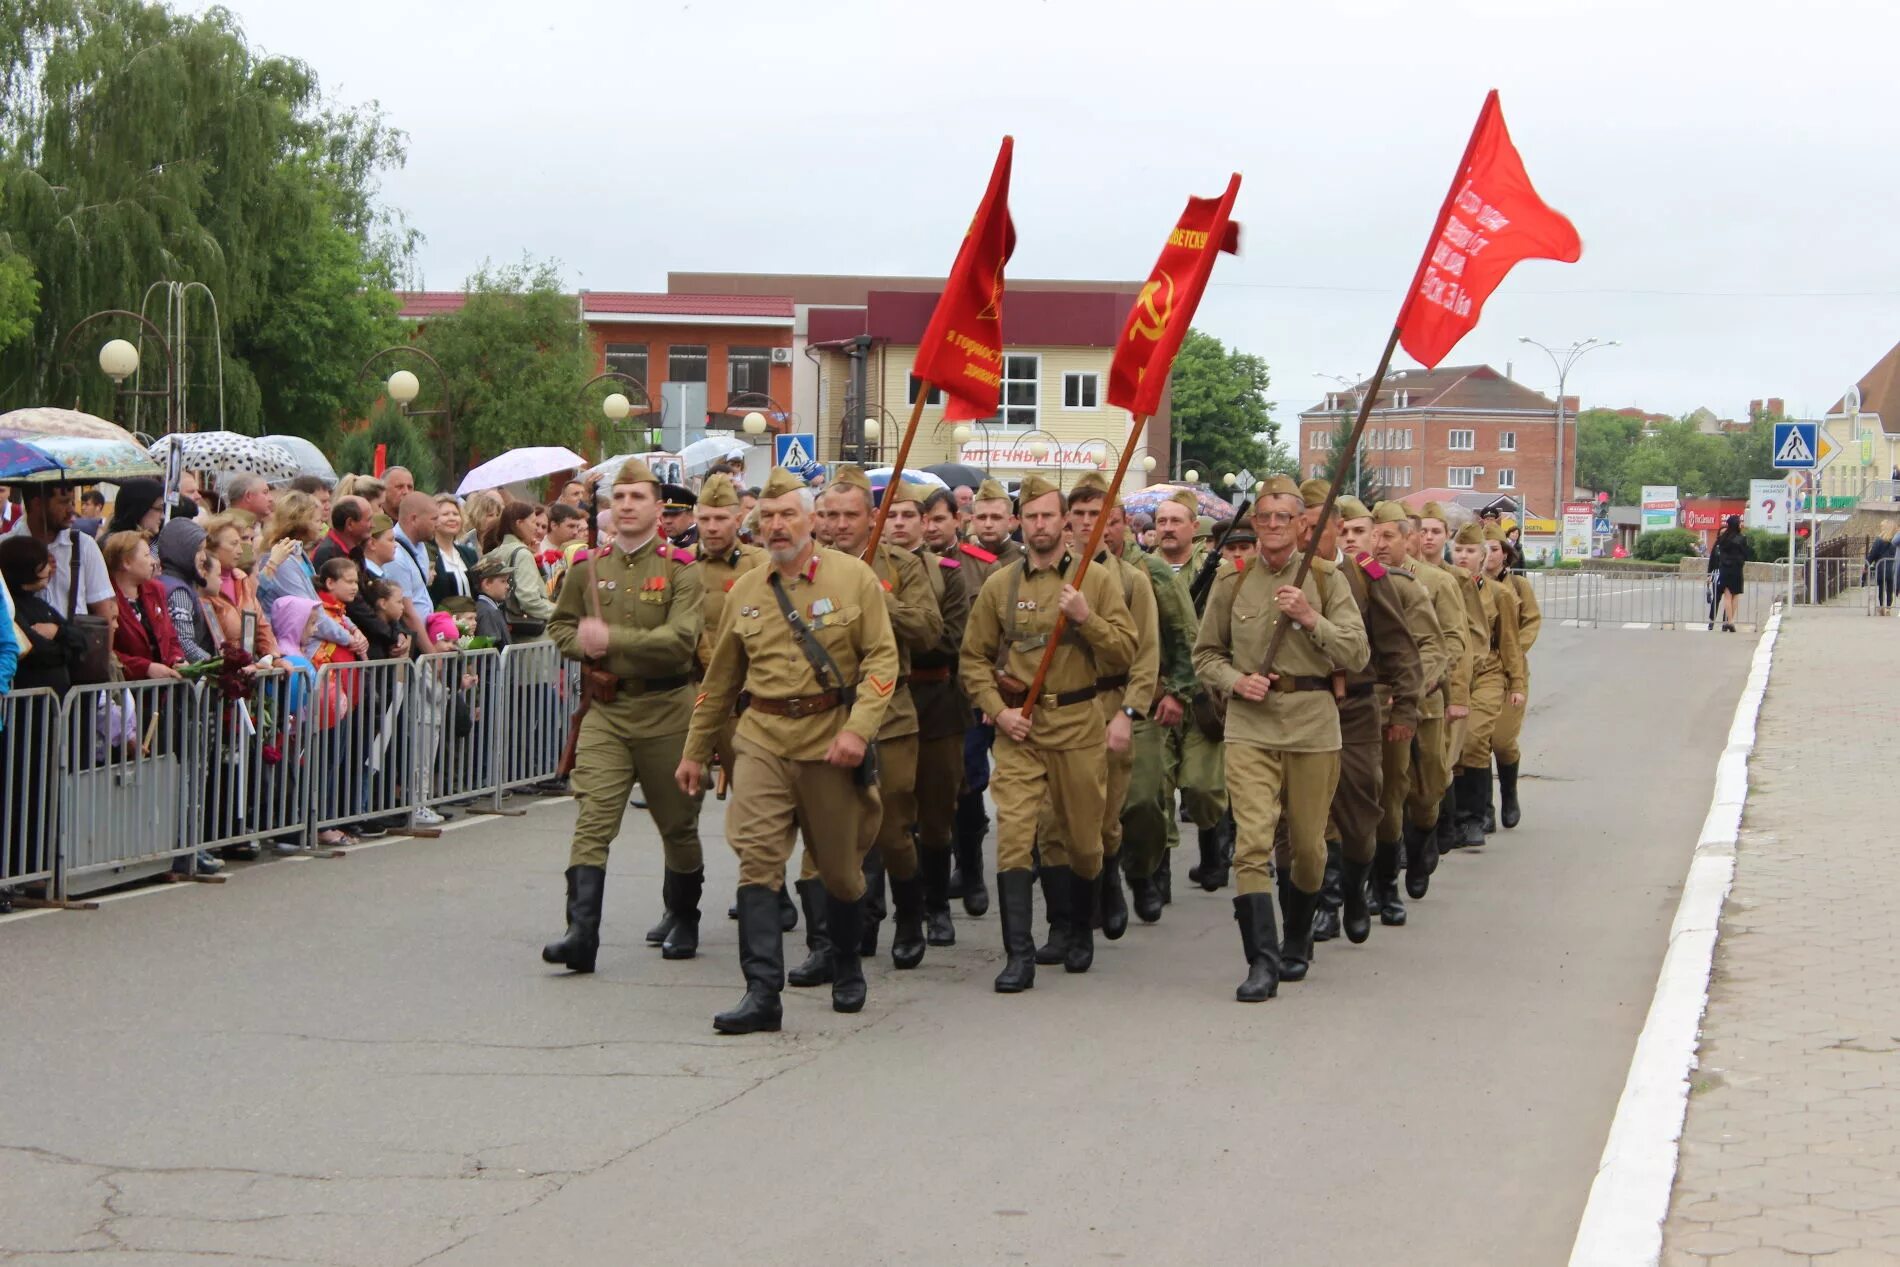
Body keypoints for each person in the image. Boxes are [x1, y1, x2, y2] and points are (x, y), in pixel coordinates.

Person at [678, 466, 900, 1034]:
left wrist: (860, 729)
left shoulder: (853, 580)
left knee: (841, 872)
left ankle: (847, 964)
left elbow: (881, 661)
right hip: (762, 739)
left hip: (830, 740)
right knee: (756, 857)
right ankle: (761, 993)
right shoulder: (746, 592)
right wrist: (695, 751)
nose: (777, 526)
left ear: (812, 522)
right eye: (768, 517)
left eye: (788, 515)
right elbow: (721, 681)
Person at [959, 472, 1137, 992]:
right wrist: (996, 708)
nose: (1040, 525)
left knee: (1083, 843)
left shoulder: (1094, 581)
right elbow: (972, 660)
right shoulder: (999, 585)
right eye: (1030, 516)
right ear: (1020, 522)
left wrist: (1086, 618)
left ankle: (1078, 927)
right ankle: (1018, 955)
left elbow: (1126, 652)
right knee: (1015, 837)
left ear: (1066, 522)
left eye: (1048, 516)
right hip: (1021, 731)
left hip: (1079, 727)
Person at [1193, 476, 1368, 1002]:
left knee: (1310, 848)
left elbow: (1357, 655)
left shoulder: (1326, 579)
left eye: (1281, 518)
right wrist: (1234, 682)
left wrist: (1310, 618)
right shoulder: (1232, 582)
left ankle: (1297, 940)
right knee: (1252, 842)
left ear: (1299, 525)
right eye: (1262, 518)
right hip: (1251, 725)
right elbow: (1206, 655)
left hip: (1314, 726)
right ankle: (1262, 961)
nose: (1270, 526)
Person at [542, 458, 707, 973]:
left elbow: (682, 640)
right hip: (607, 712)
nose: (628, 505)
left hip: (667, 710)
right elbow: (561, 627)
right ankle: (581, 933)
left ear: (660, 509)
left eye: (639, 497)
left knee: (677, 824)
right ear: (609, 508)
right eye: (620, 498)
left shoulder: (682, 569)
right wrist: (581, 648)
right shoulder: (588, 568)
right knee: (593, 818)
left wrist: (611, 639)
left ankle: (683, 915)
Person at [813, 468, 941, 968]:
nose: (840, 524)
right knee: (837, 829)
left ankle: (910, 916)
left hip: (889, 713)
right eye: (831, 515)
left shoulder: (904, 566)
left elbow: (929, 631)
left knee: (890, 829)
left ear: (873, 517)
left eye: (851, 515)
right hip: (827, 713)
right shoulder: (809, 568)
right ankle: (851, 926)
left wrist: (878, 598)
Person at [1031, 472, 1159, 957]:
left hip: (1110, 704)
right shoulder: (1045, 577)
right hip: (1058, 713)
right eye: (1079, 514)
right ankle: (1064, 923)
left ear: (1114, 523)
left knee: (1102, 821)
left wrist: (1128, 712)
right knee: (1050, 822)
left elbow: (1145, 655)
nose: (1087, 524)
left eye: (1097, 515)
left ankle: (1107, 882)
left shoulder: (1130, 581)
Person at [1297, 488, 1421, 954]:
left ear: (1338, 530)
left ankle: (1354, 888)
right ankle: (1325, 901)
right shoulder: (1286, 577)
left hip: (1358, 708)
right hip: (1306, 707)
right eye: (1301, 527)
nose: (1309, 536)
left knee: (1360, 806)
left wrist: (1406, 708)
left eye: (1320, 527)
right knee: (1314, 809)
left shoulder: (1367, 577)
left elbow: (1399, 648)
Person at [884, 482, 969, 948]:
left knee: (936, 816)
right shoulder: (864, 570)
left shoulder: (949, 574)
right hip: (883, 702)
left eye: (908, 515)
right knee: (886, 814)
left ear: (925, 522)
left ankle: (937, 906)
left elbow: (951, 639)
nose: (898, 523)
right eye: (890, 514)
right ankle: (891, 908)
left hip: (935, 702)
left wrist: (895, 624)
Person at [1146, 490, 1229, 894]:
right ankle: (1158, 873)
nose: (1167, 528)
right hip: (1156, 690)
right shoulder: (1142, 570)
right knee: (1156, 788)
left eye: (1176, 521)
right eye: (1161, 521)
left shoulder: (1220, 570)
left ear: (1194, 528)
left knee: (1202, 786)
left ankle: (1214, 850)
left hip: (1203, 696)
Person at [1366, 501, 1445, 926]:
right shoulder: (1349, 581)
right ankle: (1366, 881)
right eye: (1368, 534)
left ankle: (1419, 844)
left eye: (1387, 536)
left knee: (1422, 790)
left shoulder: (1425, 583)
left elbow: (1445, 643)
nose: (1377, 544)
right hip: (1363, 706)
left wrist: (1414, 690)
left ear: (1406, 539)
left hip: (1419, 701)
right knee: (1374, 793)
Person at [950, 477, 1025, 917]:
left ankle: (1030, 852)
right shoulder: (957, 565)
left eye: (998, 516)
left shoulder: (1025, 562)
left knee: (1023, 783)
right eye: (982, 517)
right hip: (973, 691)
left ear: (1012, 520)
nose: (990, 524)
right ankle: (970, 865)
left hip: (1019, 690)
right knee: (968, 777)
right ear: (970, 519)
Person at [1448, 523, 1524, 844]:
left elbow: (1509, 643)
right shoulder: (1442, 585)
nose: (1464, 556)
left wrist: (1517, 683)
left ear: (1484, 556)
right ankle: (1452, 818)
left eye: (1471, 551)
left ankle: (1475, 817)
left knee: (1476, 738)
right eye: (1459, 550)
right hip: (1452, 674)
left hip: (1487, 673)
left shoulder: (1499, 594)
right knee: (1449, 748)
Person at [1486, 530, 1540, 829]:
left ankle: (1509, 793)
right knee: (1474, 742)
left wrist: (1514, 651)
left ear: (1505, 553)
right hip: (1477, 670)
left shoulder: (1518, 586)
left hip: (1510, 670)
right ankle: (1481, 809)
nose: (1489, 554)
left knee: (1502, 740)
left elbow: (1531, 621)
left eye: (1494, 548)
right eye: (1484, 548)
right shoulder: (1466, 584)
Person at [3, 484, 115, 621]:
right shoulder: (5, 547)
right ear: (37, 504)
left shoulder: (84, 545)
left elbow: (103, 611)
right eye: (63, 502)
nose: (71, 510)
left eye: (72, 502)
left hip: (74, 639)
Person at [201, 514, 278, 659]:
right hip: (225, 667)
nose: (240, 551)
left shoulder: (241, 578)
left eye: (240, 543)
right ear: (212, 547)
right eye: (233, 544)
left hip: (249, 666)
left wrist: (274, 656)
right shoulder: (205, 586)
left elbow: (262, 625)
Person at [480, 501, 553, 640]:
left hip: (507, 633)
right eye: (533, 522)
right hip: (531, 639)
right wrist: (561, 612)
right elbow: (529, 600)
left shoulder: (493, 553)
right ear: (519, 523)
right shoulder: (522, 554)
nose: (536, 529)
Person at [255, 492, 328, 614]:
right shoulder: (283, 560)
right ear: (301, 523)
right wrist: (344, 633)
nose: (322, 526)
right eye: (318, 521)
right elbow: (308, 610)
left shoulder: (300, 554)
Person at [426, 494, 475, 608]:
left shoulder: (469, 554)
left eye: (455, 514)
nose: (452, 518)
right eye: (445, 514)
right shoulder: (426, 553)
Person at [1709, 514, 1748, 632]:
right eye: (1740, 522)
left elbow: (1718, 554)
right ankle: (1730, 621)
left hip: (1725, 569)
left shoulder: (1723, 538)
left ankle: (1729, 621)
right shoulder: (1741, 538)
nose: (1741, 524)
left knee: (1727, 595)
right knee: (1735, 595)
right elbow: (1746, 554)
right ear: (1736, 524)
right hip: (1736, 569)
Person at [313, 497, 374, 571]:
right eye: (369, 520)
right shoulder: (327, 555)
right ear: (350, 524)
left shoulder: (356, 551)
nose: (373, 525)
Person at [470, 557, 512, 645]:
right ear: (487, 584)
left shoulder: (489, 608)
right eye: (503, 581)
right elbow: (490, 649)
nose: (508, 586)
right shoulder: (488, 612)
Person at [1869, 522, 1898, 617]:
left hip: (1881, 567)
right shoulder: (1895, 540)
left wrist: (1867, 564)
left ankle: (1882, 606)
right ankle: (1888, 608)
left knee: (1881, 588)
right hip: (1893, 567)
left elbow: (1873, 554)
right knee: (1890, 589)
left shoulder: (1879, 540)